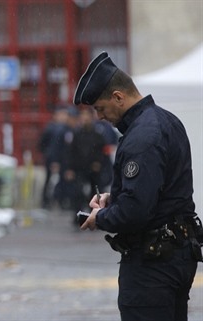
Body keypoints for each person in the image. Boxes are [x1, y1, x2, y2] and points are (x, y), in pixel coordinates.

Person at [75, 52, 202, 321]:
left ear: (119, 97)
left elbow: (135, 211)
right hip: (176, 254)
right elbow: (161, 190)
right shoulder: (166, 121)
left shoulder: (141, 137)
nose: (99, 116)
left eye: (100, 107)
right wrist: (115, 198)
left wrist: (101, 217)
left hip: (152, 264)